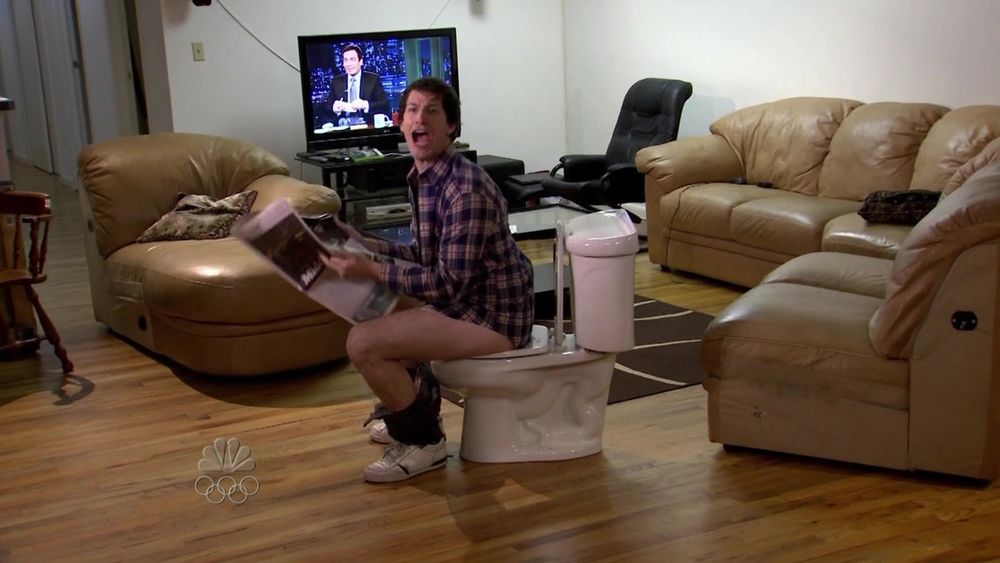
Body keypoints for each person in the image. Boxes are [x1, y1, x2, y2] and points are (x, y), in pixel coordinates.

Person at [323, 77, 534, 483]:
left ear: (451, 126)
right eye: (413, 110)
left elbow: (447, 284)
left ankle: (424, 442)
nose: (421, 119)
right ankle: (416, 411)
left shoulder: (465, 189)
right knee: (374, 307)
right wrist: (366, 244)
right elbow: (425, 257)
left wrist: (372, 268)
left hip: (494, 316)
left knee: (363, 343)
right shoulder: (425, 176)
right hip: (465, 302)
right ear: (400, 122)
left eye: (433, 111)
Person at [328, 44, 390, 126]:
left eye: (352, 59)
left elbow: (384, 104)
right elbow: (326, 108)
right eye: (345, 60)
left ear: (361, 61)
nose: (348, 64)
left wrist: (365, 105)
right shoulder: (337, 82)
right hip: (344, 127)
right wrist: (334, 108)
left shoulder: (373, 79)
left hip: (367, 127)